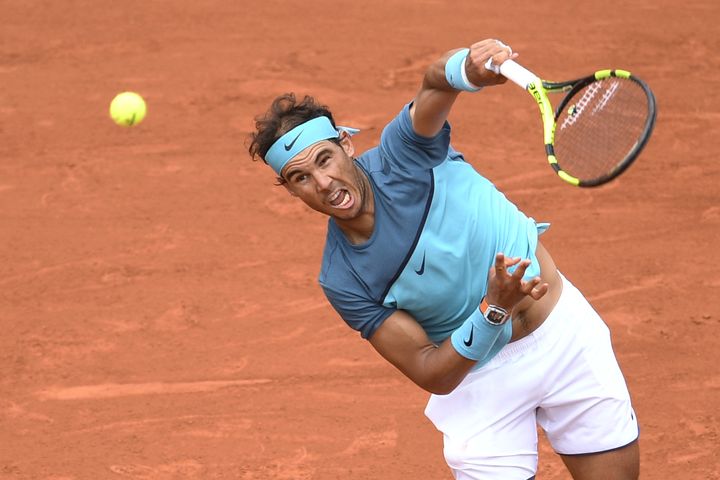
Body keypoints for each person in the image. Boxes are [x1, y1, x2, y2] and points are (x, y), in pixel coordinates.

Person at [248, 39, 639, 480]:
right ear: (291, 189)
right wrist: (493, 311)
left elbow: (435, 84)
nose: (322, 182)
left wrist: (467, 69)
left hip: (564, 337)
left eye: (325, 159)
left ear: (346, 146)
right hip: (480, 384)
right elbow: (431, 371)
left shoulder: (404, 153)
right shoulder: (343, 278)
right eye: (300, 177)